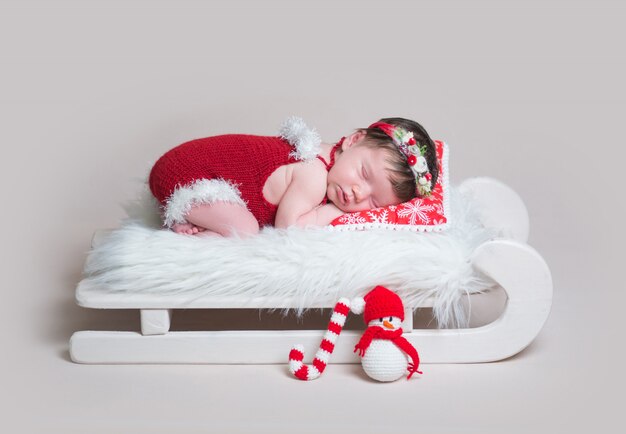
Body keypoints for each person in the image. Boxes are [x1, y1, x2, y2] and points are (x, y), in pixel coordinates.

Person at [148, 116, 439, 237]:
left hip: (189, 164)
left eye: (374, 202)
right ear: (353, 140)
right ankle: (183, 238)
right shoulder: (313, 172)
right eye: (363, 173)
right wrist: (330, 211)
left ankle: (196, 220)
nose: (358, 193)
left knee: (241, 225)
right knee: (246, 233)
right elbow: (287, 229)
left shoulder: (331, 161)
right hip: (188, 174)